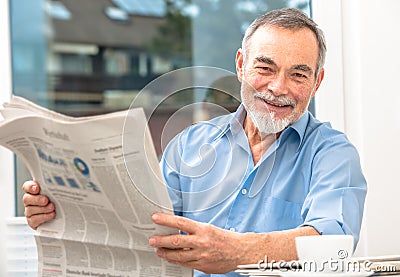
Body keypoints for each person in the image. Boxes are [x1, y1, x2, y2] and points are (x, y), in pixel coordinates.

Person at [22, 8, 367, 277]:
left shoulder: (333, 153)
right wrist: (61, 213)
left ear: (317, 82)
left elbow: (332, 243)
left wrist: (239, 251)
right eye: (265, 67)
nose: (278, 87)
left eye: (298, 74)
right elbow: (144, 230)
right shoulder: (189, 146)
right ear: (241, 65)